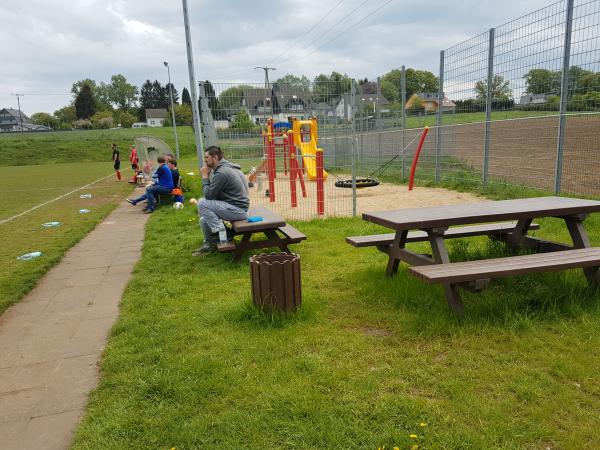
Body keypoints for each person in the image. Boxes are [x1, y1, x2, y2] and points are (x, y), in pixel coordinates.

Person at [194, 146, 249, 256]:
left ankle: (223, 234)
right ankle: (210, 245)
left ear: (215, 157)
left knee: (202, 203)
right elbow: (212, 194)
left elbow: (209, 195)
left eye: (206, 157)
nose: (205, 160)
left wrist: (204, 176)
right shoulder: (220, 170)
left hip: (239, 210)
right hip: (232, 206)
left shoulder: (222, 172)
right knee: (203, 220)